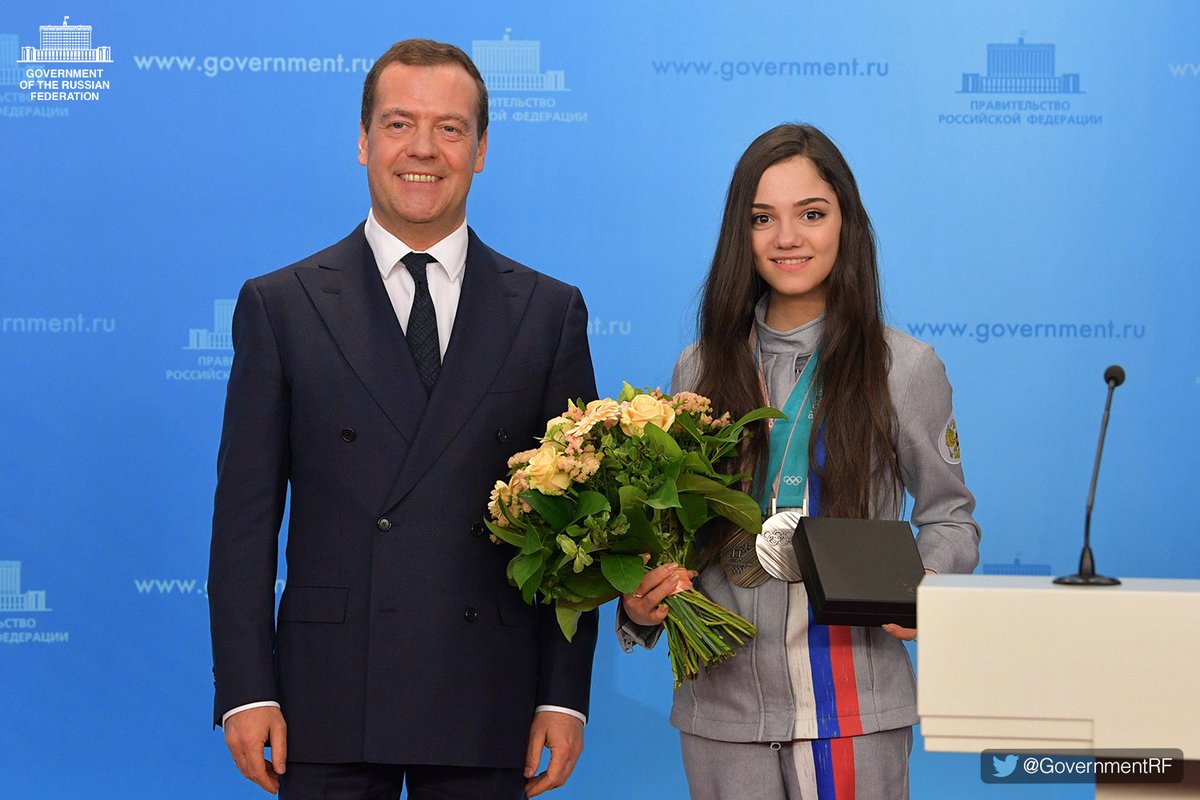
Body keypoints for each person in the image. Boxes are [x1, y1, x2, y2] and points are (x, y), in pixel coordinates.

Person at [208, 39, 598, 800]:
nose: (423, 149)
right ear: (363, 141)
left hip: (488, 692)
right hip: (329, 694)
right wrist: (246, 689)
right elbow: (244, 521)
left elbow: (575, 528)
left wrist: (562, 695)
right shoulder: (281, 306)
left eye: (450, 128)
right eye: (398, 124)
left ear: (480, 150)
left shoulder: (548, 312)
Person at [619, 124, 980, 799]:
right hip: (722, 708)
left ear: (847, 223)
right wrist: (640, 604)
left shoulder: (903, 367)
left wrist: (930, 586)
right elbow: (672, 533)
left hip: (854, 707)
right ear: (740, 233)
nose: (787, 237)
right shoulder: (698, 368)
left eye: (811, 214)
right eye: (763, 218)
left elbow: (950, 515)